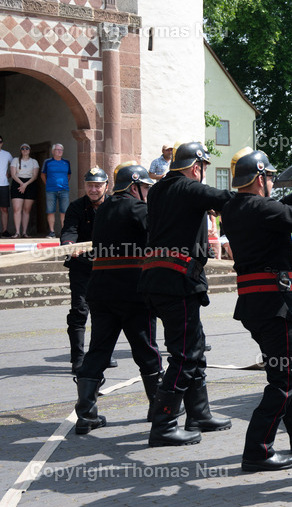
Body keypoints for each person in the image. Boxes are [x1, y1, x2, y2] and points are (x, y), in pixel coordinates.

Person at [220, 148, 292, 472]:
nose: (272, 182)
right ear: (259, 177)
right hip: (275, 305)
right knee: (284, 381)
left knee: (282, 373)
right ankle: (257, 450)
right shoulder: (263, 208)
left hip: (252, 305)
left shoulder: (234, 207)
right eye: (270, 177)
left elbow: (277, 209)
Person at [141, 141, 234, 448]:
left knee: (194, 345)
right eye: (204, 169)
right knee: (185, 354)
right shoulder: (189, 188)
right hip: (177, 281)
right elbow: (227, 199)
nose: (203, 175)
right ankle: (164, 422)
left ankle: (199, 413)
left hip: (157, 278)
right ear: (197, 167)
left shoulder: (157, 190)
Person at [73, 162, 163, 434]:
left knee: (98, 352)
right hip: (133, 292)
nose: (146, 192)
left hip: (100, 292)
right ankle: (159, 409)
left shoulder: (104, 210)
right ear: (134, 185)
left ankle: (86, 415)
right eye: (145, 187)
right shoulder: (138, 208)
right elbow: (157, 237)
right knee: (147, 350)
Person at [61, 167, 110, 375]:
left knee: (106, 313)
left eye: (97, 185)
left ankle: (101, 356)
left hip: (108, 268)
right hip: (81, 266)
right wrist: (70, 245)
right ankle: (78, 358)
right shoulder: (75, 207)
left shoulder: (113, 206)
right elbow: (69, 230)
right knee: (80, 310)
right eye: (90, 185)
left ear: (106, 186)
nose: (93, 189)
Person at [10, 143, 40, 238]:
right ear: (20, 150)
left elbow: (35, 176)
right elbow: (13, 174)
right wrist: (22, 184)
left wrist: (25, 185)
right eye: (22, 148)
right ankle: (17, 232)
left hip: (30, 183)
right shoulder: (15, 160)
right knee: (17, 209)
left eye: (27, 148)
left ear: (29, 150)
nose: (25, 149)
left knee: (26, 210)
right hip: (17, 183)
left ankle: (24, 232)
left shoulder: (34, 161)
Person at [42, 142, 71, 237]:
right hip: (51, 190)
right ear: (53, 151)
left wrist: (64, 183)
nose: (59, 151)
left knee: (64, 211)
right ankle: (52, 232)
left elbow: (68, 175)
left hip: (64, 190)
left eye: (61, 150)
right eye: (57, 150)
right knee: (50, 211)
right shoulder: (47, 162)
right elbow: (43, 174)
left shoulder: (66, 162)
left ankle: (64, 232)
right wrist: (48, 183)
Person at [0, 136, 12, 237]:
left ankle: (4, 230)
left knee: (4, 209)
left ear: (2, 143)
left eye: (0, 142)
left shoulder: (7, 154)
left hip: (3, 184)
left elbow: (15, 166)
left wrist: (11, 174)